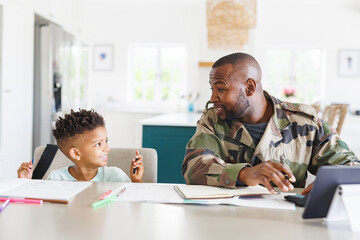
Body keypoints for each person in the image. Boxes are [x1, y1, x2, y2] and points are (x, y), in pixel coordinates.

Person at [182, 52, 359, 194]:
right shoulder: (214, 119)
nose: (213, 98)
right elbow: (193, 165)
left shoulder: (303, 123)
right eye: (212, 89)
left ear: (250, 87)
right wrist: (243, 174)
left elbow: (351, 166)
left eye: (221, 89)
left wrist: (332, 182)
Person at [17, 109, 144, 182]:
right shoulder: (57, 178)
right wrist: (24, 183)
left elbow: (135, 206)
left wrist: (136, 181)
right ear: (76, 153)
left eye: (106, 141)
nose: (107, 148)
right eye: (98, 144)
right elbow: (42, 210)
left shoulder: (115, 176)